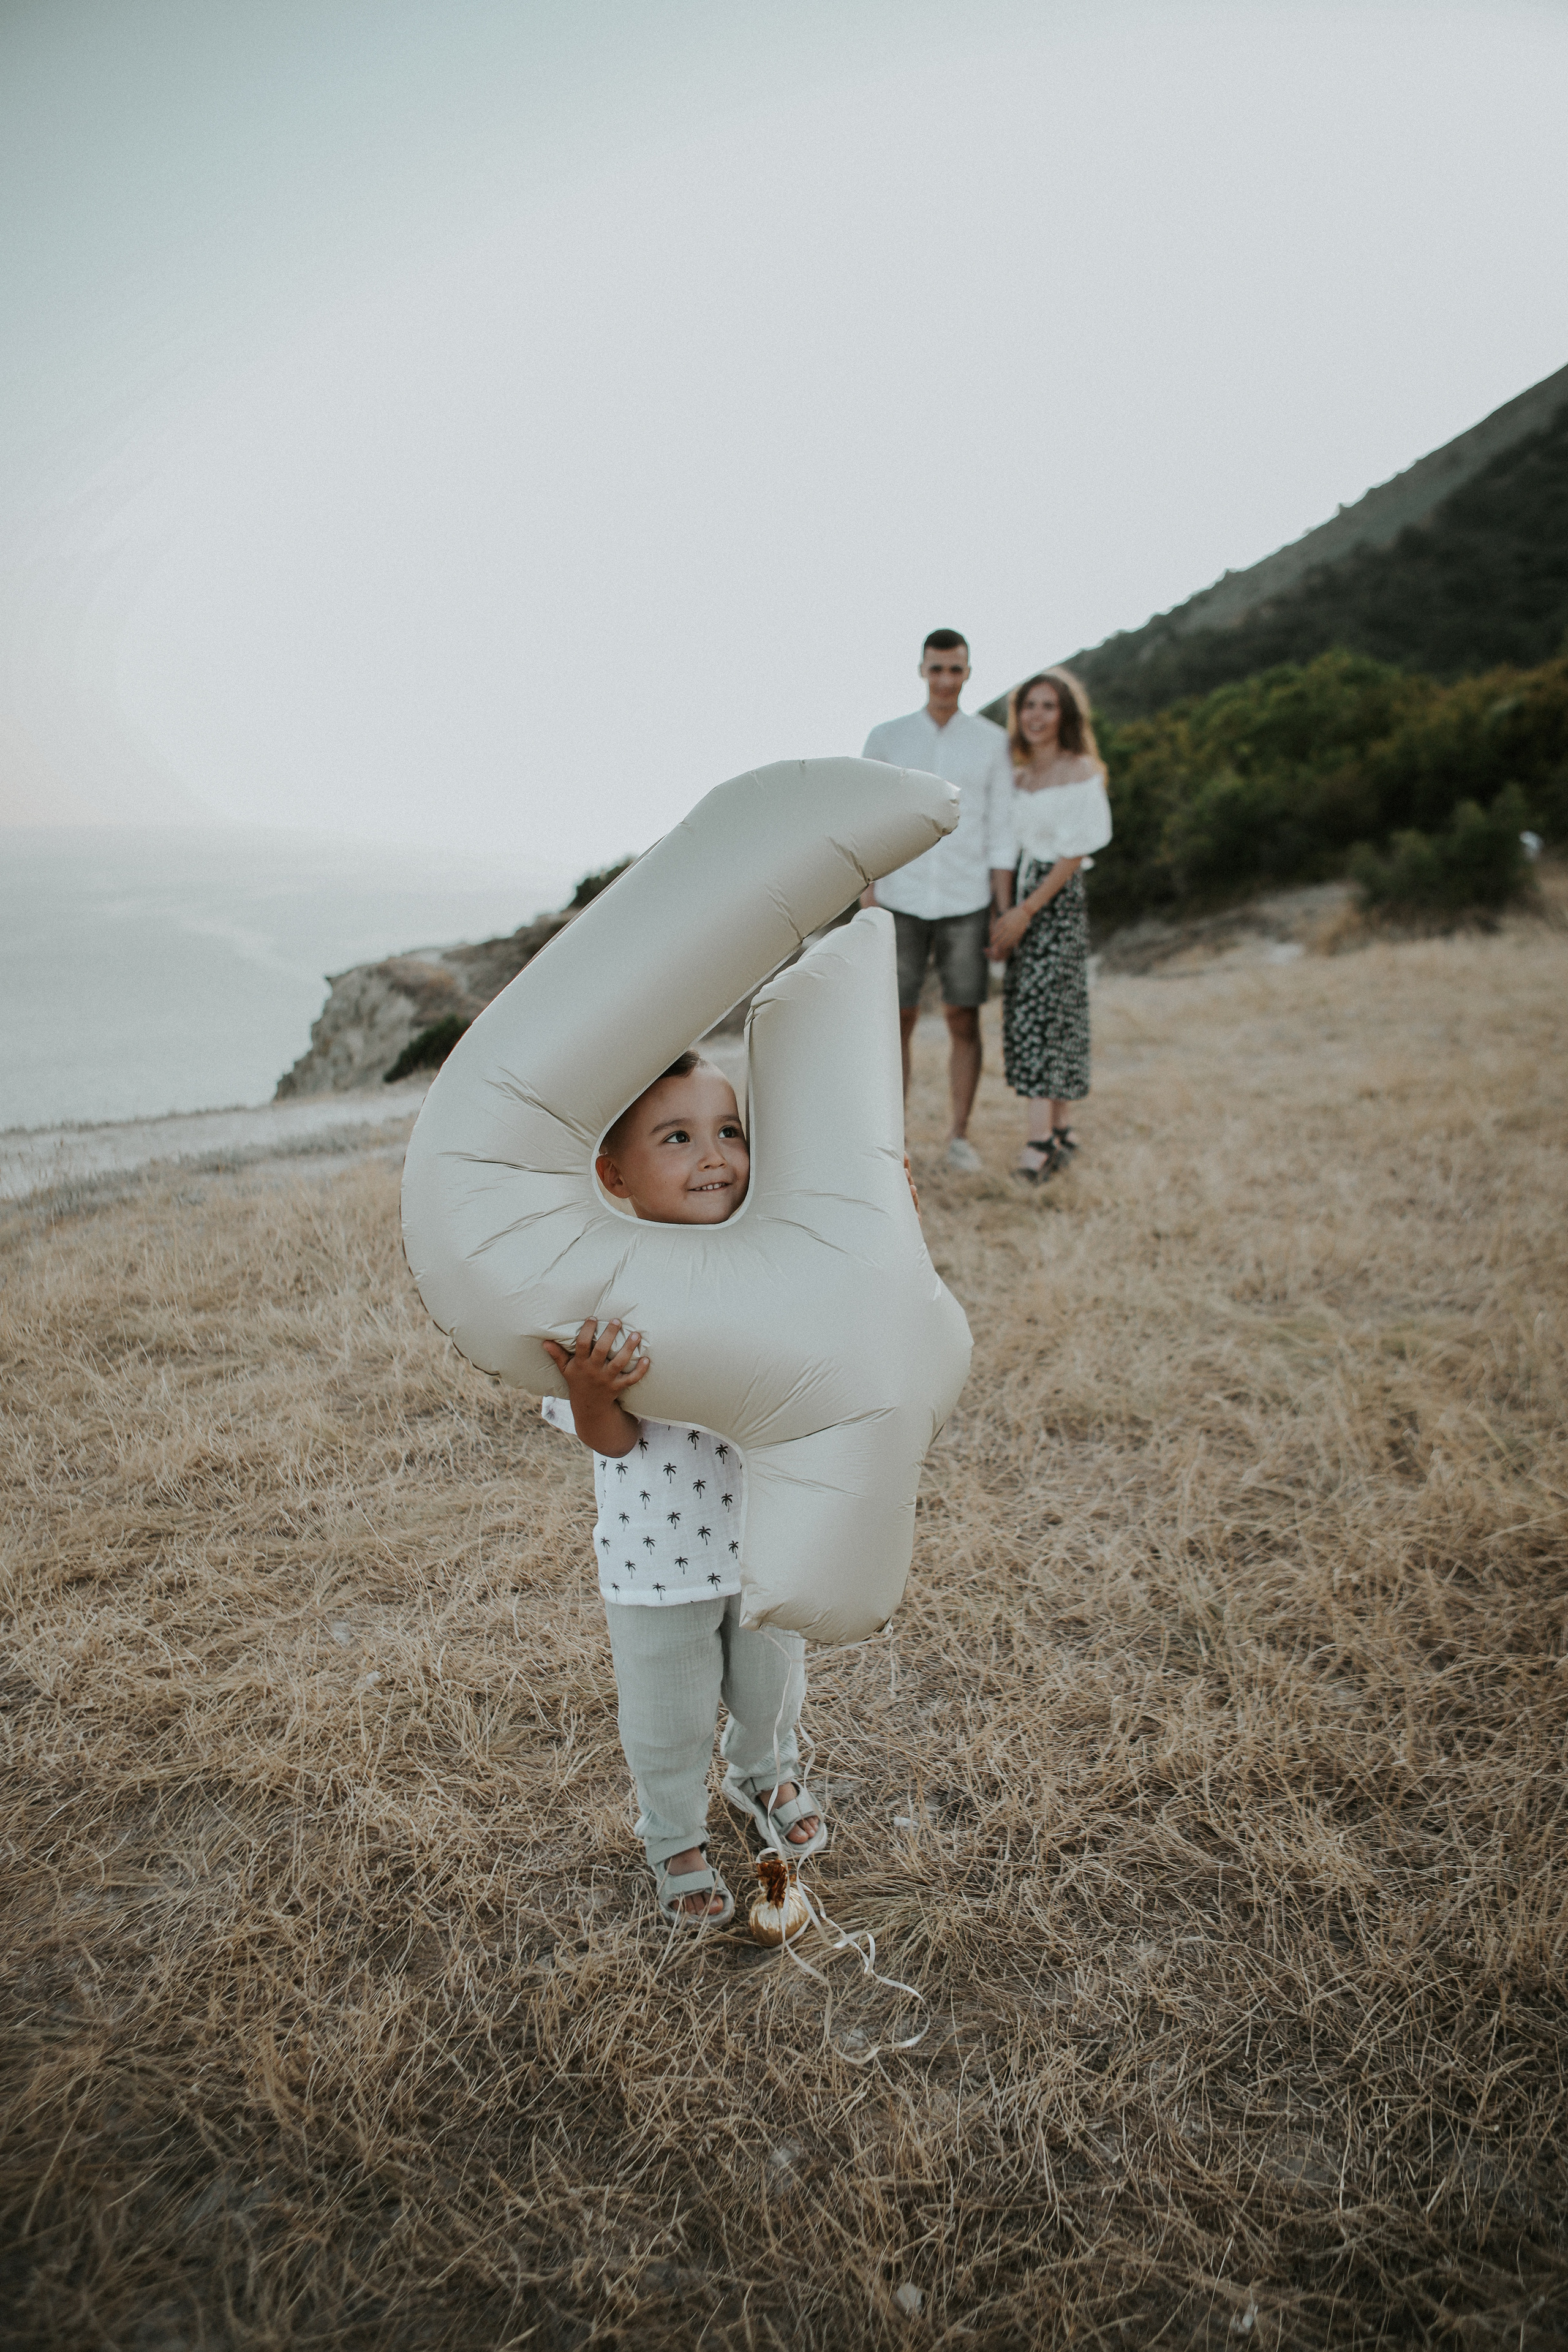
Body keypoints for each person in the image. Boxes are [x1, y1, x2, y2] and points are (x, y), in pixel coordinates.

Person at [539, 1052, 826, 1925]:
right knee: (667, 1719)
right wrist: (591, 1392)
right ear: (615, 1175)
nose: (714, 1157)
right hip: (656, 1561)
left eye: (728, 1133)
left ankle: (763, 1779)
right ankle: (673, 1834)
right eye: (678, 1138)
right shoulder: (605, 1284)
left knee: (770, 1692)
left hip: (766, 1542)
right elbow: (615, 1442)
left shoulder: (769, 1257)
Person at [862, 629, 1016, 1173]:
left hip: (968, 898)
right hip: (900, 898)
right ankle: (891, 1144)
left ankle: (959, 1137)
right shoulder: (887, 738)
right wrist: (868, 900)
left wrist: (1001, 909)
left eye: (956, 670)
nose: (946, 680)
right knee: (895, 1020)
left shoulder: (992, 742)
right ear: (922, 670)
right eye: (937, 669)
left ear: (968, 673)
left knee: (963, 1018)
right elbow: (869, 823)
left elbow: (1001, 830)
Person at [987, 668, 1112, 1182]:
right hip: (1016, 897)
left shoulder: (1080, 769)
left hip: (1053, 902)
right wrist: (1001, 915)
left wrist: (1027, 911)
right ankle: (1061, 1128)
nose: (1036, 716)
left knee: (1049, 1014)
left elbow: (1074, 851)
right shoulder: (1015, 778)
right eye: (1029, 706)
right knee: (1033, 1009)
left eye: (1048, 706)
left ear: (1065, 715)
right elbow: (1001, 848)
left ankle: (1039, 1141)